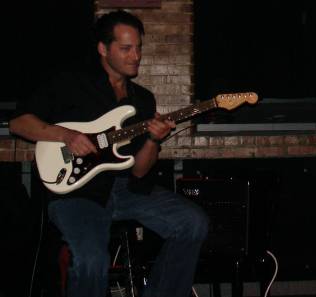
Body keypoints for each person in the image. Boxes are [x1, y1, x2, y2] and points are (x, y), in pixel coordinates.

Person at [9, 10, 209, 297]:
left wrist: (153, 139)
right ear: (103, 49)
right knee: (92, 260)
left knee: (192, 223)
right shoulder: (70, 83)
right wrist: (67, 135)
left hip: (126, 188)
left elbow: (140, 170)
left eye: (139, 47)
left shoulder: (142, 99)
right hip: (76, 193)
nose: (136, 56)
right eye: (126, 48)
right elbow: (19, 123)